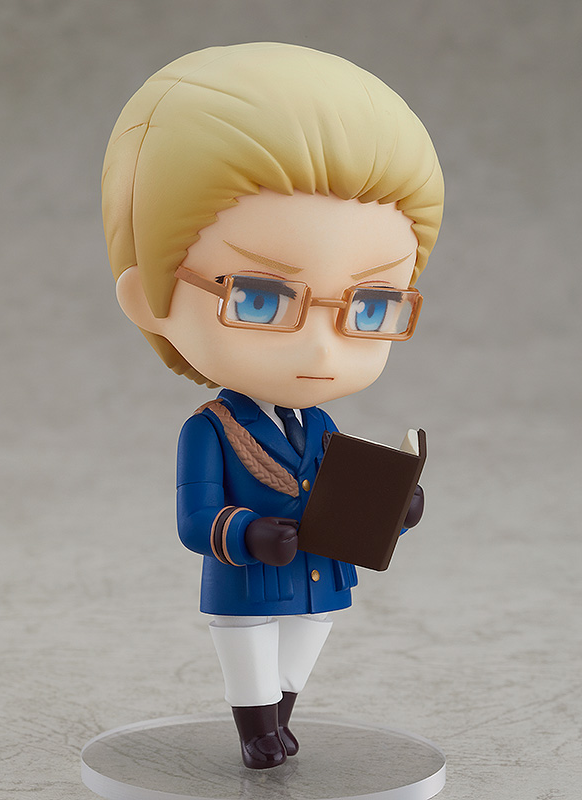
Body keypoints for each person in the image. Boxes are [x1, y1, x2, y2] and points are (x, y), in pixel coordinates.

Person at [102, 42, 444, 769]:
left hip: (320, 573)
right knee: (251, 649)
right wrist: (249, 534)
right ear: (150, 299)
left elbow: (341, 492)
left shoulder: (318, 423)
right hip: (250, 575)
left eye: (370, 306)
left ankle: (279, 718)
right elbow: (195, 519)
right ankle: (256, 727)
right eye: (262, 300)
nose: (321, 348)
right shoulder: (212, 430)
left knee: (305, 645)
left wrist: (394, 508)